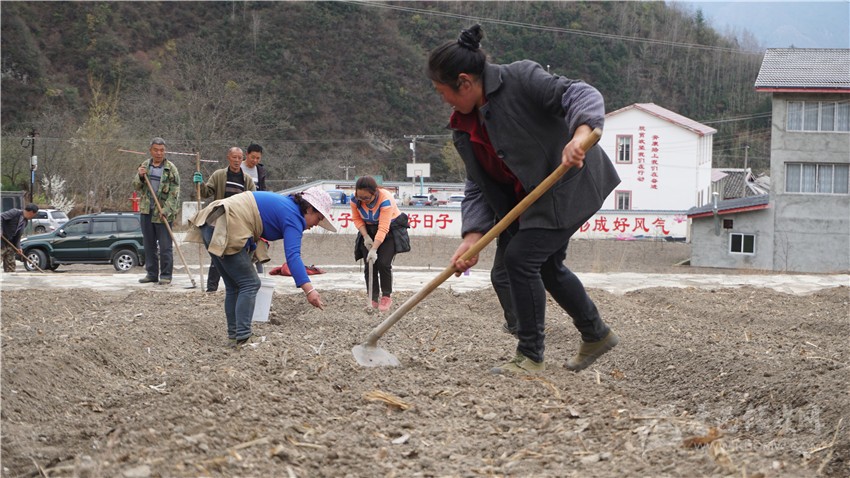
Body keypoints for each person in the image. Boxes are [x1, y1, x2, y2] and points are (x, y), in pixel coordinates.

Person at [428, 24, 621, 375]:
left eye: (444, 93)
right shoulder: (464, 127)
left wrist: (580, 135)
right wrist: (472, 237)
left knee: (519, 261)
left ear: (465, 82)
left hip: (567, 185)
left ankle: (530, 355)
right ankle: (596, 334)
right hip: (529, 202)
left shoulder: (520, 79)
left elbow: (581, 93)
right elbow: (479, 184)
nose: (445, 101)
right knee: (546, 267)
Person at [185, 187, 336, 348]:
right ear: (309, 208)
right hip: (226, 224)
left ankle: (235, 337)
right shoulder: (294, 216)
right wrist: (309, 290)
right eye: (319, 218)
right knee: (250, 283)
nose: (316, 224)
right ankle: (243, 336)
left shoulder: (286, 205)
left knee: (234, 286)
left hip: (212, 223)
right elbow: (293, 257)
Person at [195, 147, 256, 292]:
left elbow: (253, 199)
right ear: (228, 157)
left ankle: (238, 285)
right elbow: (206, 193)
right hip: (220, 219)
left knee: (237, 252)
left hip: (239, 221)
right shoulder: (219, 175)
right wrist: (200, 184)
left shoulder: (247, 180)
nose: (237, 161)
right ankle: (212, 288)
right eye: (234, 157)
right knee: (217, 251)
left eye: (239, 158)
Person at [350, 176, 408, 312]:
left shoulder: (385, 199)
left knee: (383, 263)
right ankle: (373, 297)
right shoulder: (354, 199)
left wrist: (374, 249)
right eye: (360, 198)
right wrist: (366, 237)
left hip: (389, 230)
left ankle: (386, 296)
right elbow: (356, 218)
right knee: (369, 264)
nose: (363, 201)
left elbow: (383, 228)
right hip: (368, 229)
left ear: (374, 192)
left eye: (366, 198)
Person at [132, 137, 180, 285]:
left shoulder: (171, 168)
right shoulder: (145, 166)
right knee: (149, 245)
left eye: (162, 150)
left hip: (163, 213)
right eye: (156, 150)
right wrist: (140, 176)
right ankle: (151, 274)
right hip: (147, 211)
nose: (159, 153)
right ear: (150, 150)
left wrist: (166, 209)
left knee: (165, 247)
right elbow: (136, 186)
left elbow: (175, 192)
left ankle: (166, 275)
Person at [1, 203, 39, 272]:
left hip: (10, 244)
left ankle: (10, 278)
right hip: (2, 241)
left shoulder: (25, 222)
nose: (33, 216)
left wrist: (18, 247)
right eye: (34, 214)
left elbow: (18, 236)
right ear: (31, 212)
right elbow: (1, 217)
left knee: (11, 267)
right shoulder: (15, 212)